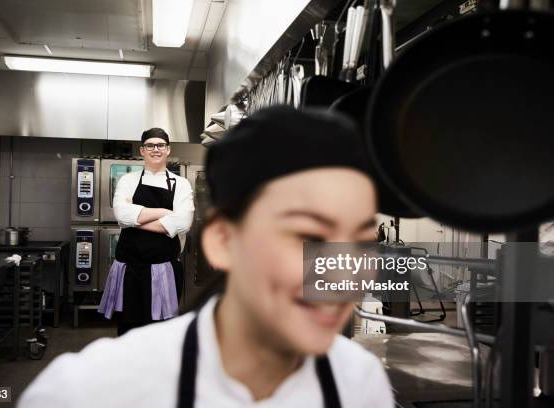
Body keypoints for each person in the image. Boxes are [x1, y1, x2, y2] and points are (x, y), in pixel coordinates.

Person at [19, 107, 394, 408]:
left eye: (363, 240)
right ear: (222, 241)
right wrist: (158, 220)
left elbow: (175, 220)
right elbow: (126, 214)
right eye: (306, 235)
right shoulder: (88, 390)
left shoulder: (359, 380)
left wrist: (147, 219)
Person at [102, 128, 194, 336]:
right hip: (129, 269)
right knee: (128, 328)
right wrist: (163, 212)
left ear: (168, 150)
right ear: (142, 151)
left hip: (164, 270)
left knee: (160, 331)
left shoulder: (180, 184)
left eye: (160, 145)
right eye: (150, 145)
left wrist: (136, 219)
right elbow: (122, 216)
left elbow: (182, 223)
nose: (155, 149)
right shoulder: (128, 180)